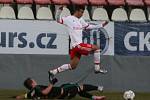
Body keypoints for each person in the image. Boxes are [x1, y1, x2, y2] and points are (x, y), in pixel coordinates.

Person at [48, 5, 108, 82]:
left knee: (72, 66)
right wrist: (59, 11)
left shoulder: (81, 20)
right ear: (77, 11)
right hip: (77, 46)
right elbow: (57, 20)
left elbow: (89, 26)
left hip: (76, 47)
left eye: (83, 12)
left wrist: (101, 25)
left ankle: (53, 72)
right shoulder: (69, 19)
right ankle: (97, 68)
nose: (82, 14)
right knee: (97, 48)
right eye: (81, 12)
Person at [16, 78, 106, 100]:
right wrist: (52, 83)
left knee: (78, 89)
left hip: (61, 93)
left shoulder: (31, 93)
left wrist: (15, 97)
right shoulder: (37, 88)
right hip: (64, 92)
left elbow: (22, 96)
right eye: (33, 80)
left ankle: (95, 98)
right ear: (32, 83)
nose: (34, 80)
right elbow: (44, 92)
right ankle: (98, 88)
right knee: (79, 87)